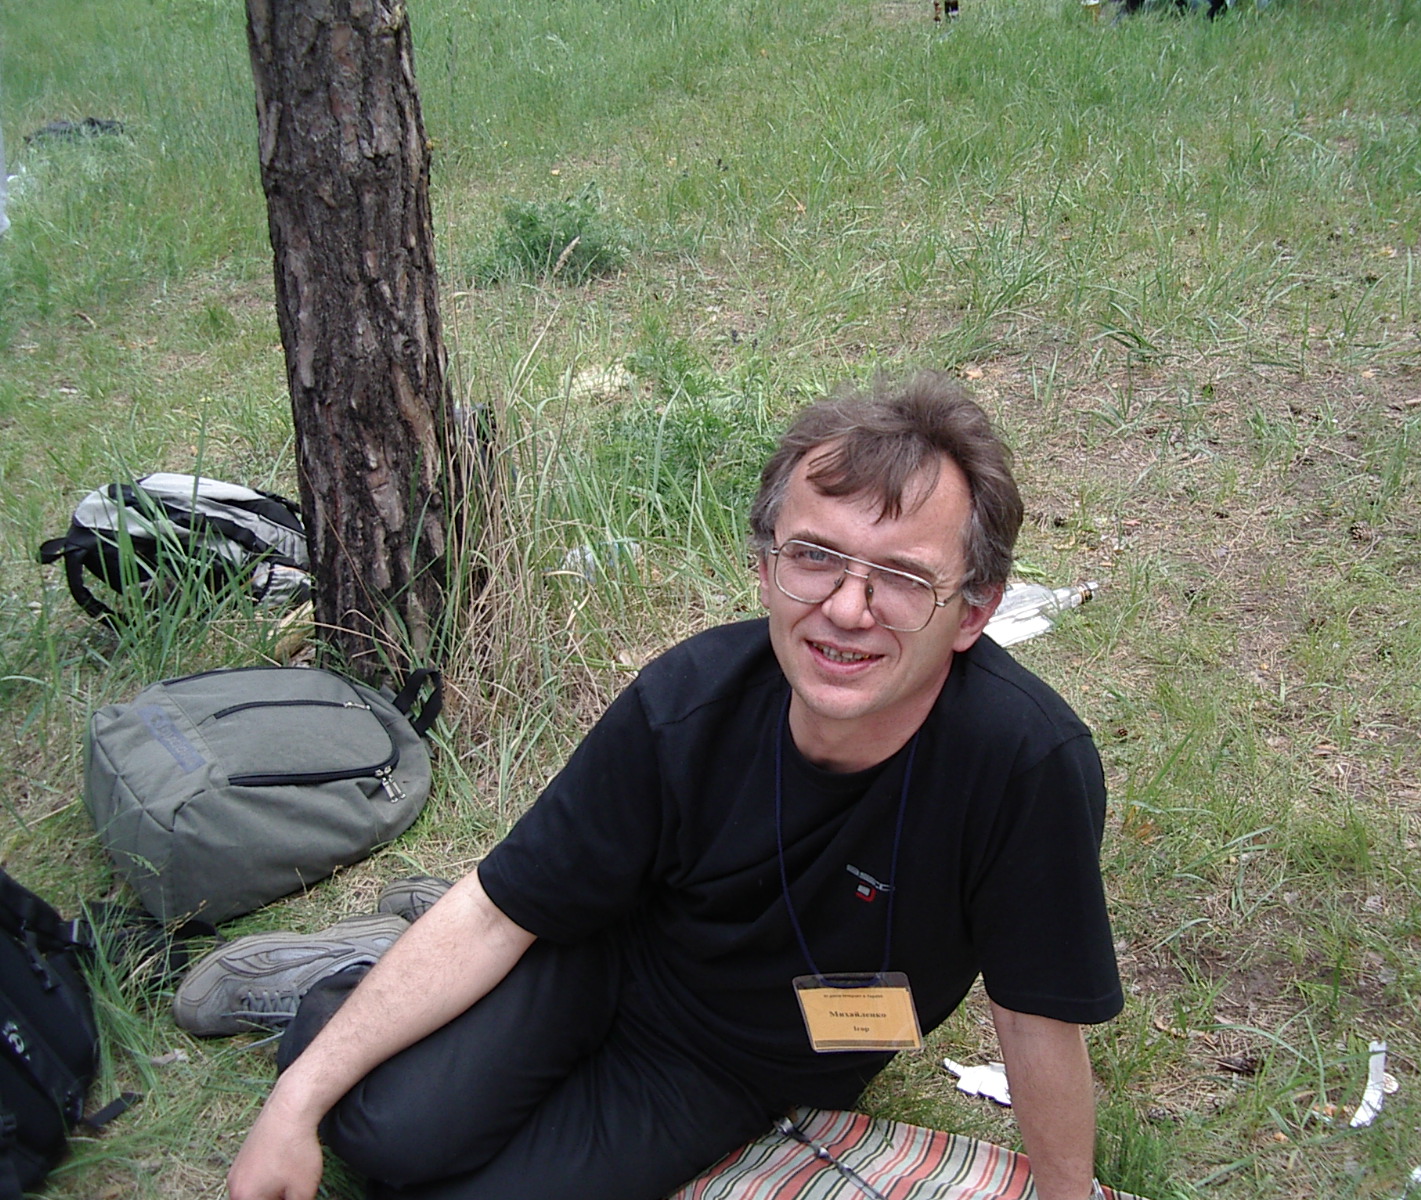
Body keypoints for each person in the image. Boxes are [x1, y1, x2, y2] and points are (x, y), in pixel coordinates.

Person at [208, 370, 1123, 1200]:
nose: (848, 609)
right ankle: (356, 973)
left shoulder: (1024, 765)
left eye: (901, 578)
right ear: (765, 566)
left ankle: (416, 958)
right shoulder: (689, 702)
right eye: (815, 556)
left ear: (973, 612)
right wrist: (295, 1102)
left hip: (737, 1065)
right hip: (598, 948)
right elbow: (496, 912)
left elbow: (1035, 1016)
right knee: (385, 1133)